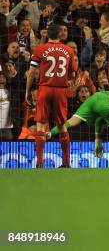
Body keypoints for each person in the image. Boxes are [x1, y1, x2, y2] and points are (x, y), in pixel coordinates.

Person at [25, 24, 77, 168]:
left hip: (44, 89)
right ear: (60, 35)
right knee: (61, 125)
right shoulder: (68, 50)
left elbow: (30, 73)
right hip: (61, 91)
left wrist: (27, 91)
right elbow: (73, 74)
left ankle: (40, 162)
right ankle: (66, 162)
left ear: (47, 34)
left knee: (41, 124)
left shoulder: (40, 49)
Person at [46, 91, 109, 168]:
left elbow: (98, 120)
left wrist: (97, 141)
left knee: (71, 121)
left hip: (93, 99)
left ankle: (49, 133)